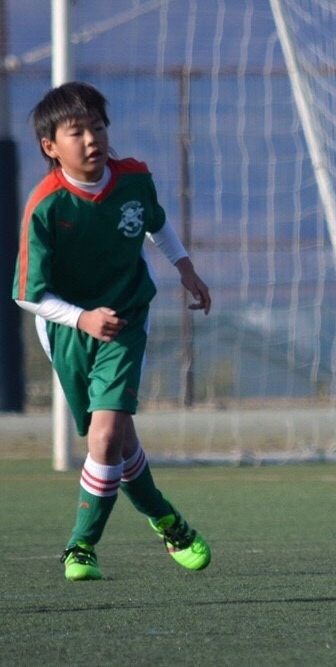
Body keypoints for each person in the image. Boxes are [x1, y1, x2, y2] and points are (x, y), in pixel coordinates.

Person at [12, 81, 213, 581]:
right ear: (50, 147)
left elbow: (156, 224)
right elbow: (27, 295)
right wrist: (82, 318)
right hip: (67, 326)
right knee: (118, 442)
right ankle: (167, 520)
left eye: (97, 127)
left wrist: (185, 268)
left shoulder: (134, 180)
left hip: (124, 319)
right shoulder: (47, 205)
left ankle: (81, 547)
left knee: (103, 438)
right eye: (75, 131)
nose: (91, 139)